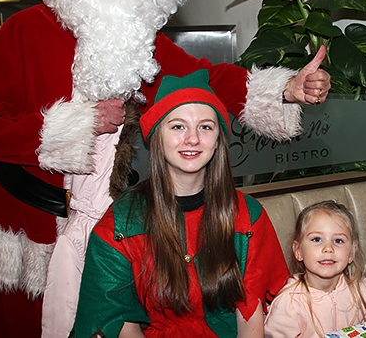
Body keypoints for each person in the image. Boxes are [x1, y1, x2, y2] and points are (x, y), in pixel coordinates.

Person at [0, 0, 330, 337]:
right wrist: (72, 127)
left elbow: (206, 79)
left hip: (107, 232)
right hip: (26, 231)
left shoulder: (143, 42)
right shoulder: (26, 30)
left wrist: (285, 88)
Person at [71, 70, 289, 337]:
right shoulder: (121, 224)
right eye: (177, 126)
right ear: (156, 137)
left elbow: (250, 313)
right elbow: (118, 322)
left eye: (206, 127)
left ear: (218, 140)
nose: (193, 139)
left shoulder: (247, 216)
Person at [264, 200, 366, 338]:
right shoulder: (290, 303)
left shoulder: (364, 290)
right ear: (298, 251)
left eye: (338, 241)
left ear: (351, 253)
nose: (328, 248)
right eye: (316, 239)